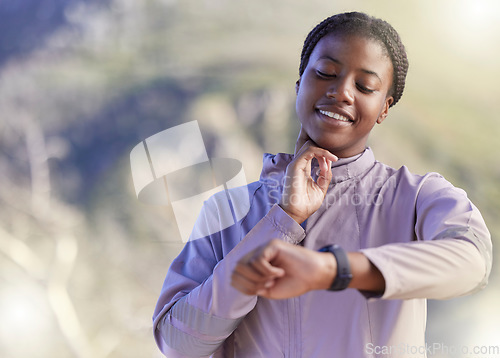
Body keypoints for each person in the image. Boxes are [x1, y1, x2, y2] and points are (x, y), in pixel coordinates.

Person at [152, 12, 492, 357]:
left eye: (365, 87)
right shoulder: (226, 210)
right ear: (299, 84)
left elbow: (472, 261)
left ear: (383, 108)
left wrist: (335, 270)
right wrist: (282, 219)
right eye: (326, 73)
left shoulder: (417, 197)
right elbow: (178, 344)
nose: (341, 92)